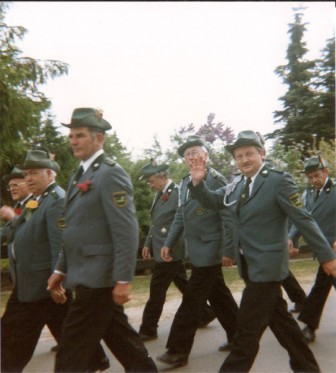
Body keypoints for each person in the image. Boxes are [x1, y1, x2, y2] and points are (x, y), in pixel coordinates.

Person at [188, 130, 336, 372]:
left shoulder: (278, 180)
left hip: (268, 267)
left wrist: (328, 257)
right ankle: (308, 368)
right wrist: (197, 181)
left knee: (245, 334)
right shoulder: (237, 183)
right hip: (249, 266)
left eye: (249, 154)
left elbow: (303, 219)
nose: (244, 160)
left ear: (261, 153)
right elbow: (214, 202)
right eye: (239, 156)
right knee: (283, 324)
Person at [47, 107, 157, 372]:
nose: (73, 140)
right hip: (85, 274)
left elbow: (125, 230)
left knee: (71, 352)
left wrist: (123, 279)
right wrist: (60, 269)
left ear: (99, 139)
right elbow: (73, 230)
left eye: (80, 135)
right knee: (123, 342)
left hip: (99, 278)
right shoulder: (78, 175)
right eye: (71, 135)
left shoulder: (110, 173)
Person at [157, 135, 239, 368]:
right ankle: (238, 336)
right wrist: (168, 243)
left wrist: (227, 249)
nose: (192, 157)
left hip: (212, 249)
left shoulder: (215, 179)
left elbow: (227, 216)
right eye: (187, 154)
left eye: (196, 152)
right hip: (197, 249)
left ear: (206, 155)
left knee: (192, 300)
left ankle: (177, 351)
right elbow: (181, 217)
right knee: (219, 295)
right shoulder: (184, 183)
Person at [0, 151, 71, 372]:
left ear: (50, 173)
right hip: (32, 281)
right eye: (27, 173)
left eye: (34, 173)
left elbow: (60, 244)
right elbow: (20, 232)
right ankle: (93, 360)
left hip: (41, 283)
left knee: (13, 337)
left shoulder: (56, 200)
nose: (28, 178)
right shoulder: (38, 201)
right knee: (64, 327)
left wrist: (57, 279)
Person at [138, 160, 215, 341]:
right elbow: (156, 222)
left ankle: (148, 329)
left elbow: (180, 222)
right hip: (161, 247)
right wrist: (148, 242)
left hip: (170, 249)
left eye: (151, 180)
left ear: (162, 176)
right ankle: (205, 312)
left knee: (157, 290)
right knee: (183, 284)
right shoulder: (160, 194)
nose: (149, 184)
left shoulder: (178, 192)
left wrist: (170, 245)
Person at [288, 155, 336, 343]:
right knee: (321, 287)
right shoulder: (308, 194)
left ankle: (309, 326)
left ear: (326, 172)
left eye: (316, 175)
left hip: (333, 249)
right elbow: (301, 219)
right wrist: (291, 238)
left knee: (319, 288)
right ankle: (309, 326)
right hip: (322, 250)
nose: (313, 180)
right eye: (310, 177)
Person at [264, 159, 307, 313]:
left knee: (280, 273)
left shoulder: (277, 181)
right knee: (281, 273)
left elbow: (297, 217)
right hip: (265, 239)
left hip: (277, 238)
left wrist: (292, 240)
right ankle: (300, 300)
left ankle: (297, 301)